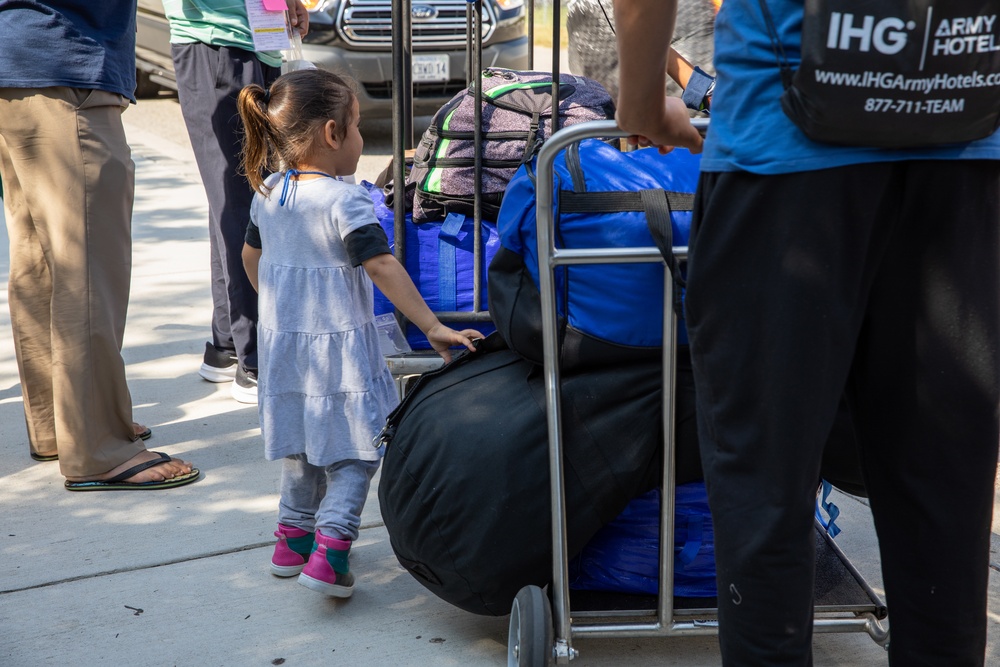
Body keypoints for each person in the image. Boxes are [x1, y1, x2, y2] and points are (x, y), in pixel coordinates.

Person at [615, 0, 1000, 664]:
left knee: (765, 492)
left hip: (783, 160)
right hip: (963, 140)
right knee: (945, 495)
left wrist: (641, 106)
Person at [236, 68, 481, 597]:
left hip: (284, 348)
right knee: (357, 451)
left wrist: (278, 306)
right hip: (339, 350)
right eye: (356, 126)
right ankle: (331, 552)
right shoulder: (344, 201)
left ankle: (290, 542)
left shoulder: (268, 192)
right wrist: (433, 325)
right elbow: (382, 267)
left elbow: (250, 257)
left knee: (301, 446)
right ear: (331, 134)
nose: (360, 138)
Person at [0, 1, 198, 490]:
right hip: (65, 63)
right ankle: (98, 446)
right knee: (87, 267)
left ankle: (61, 426)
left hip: (19, 60)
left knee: (41, 262)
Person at [164, 0, 310, 404]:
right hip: (214, 46)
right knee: (241, 201)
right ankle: (254, 360)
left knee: (233, 198)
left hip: (255, 43)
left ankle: (227, 343)